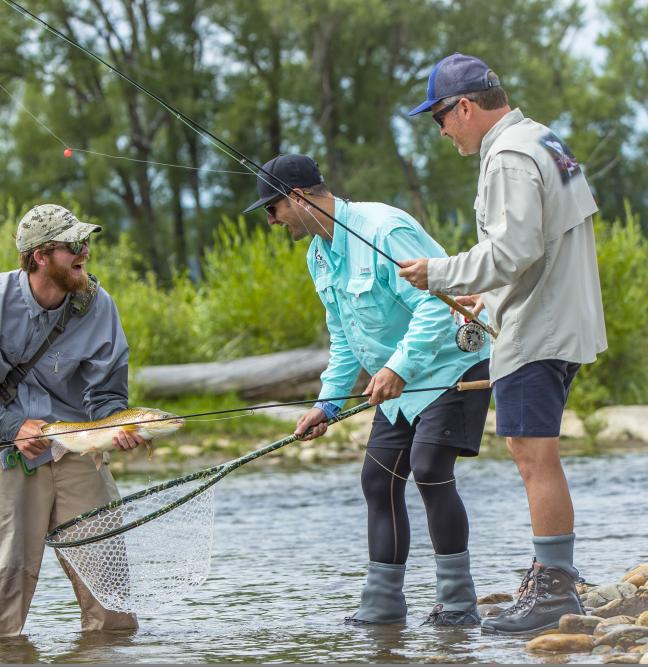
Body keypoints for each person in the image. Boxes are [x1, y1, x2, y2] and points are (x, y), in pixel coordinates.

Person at [401, 53, 607, 635]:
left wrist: (440, 274)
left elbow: (513, 251)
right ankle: (554, 575)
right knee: (533, 450)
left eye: (438, 117)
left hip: (539, 330)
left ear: (464, 107)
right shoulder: (543, 140)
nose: (440, 131)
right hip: (555, 318)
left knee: (530, 452)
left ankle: (554, 592)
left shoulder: (510, 157)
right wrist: (485, 301)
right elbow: (540, 247)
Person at [243, 154, 492, 626]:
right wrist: (328, 403)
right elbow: (344, 337)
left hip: (452, 365)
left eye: (271, 210)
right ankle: (383, 606)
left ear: (296, 198)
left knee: (428, 467)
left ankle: (458, 604)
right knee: (378, 481)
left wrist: (397, 367)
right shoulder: (317, 255)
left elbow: (437, 307)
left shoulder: (383, 229)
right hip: (401, 383)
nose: (271, 220)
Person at [0, 203, 144, 638]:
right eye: (72, 246)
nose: (84, 251)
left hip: (76, 453)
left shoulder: (98, 306)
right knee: (7, 582)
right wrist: (11, 428)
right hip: (7, 454)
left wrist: (114, 427)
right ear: (40, 256)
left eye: (85, 243)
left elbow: (105, 394)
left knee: (109, 588)